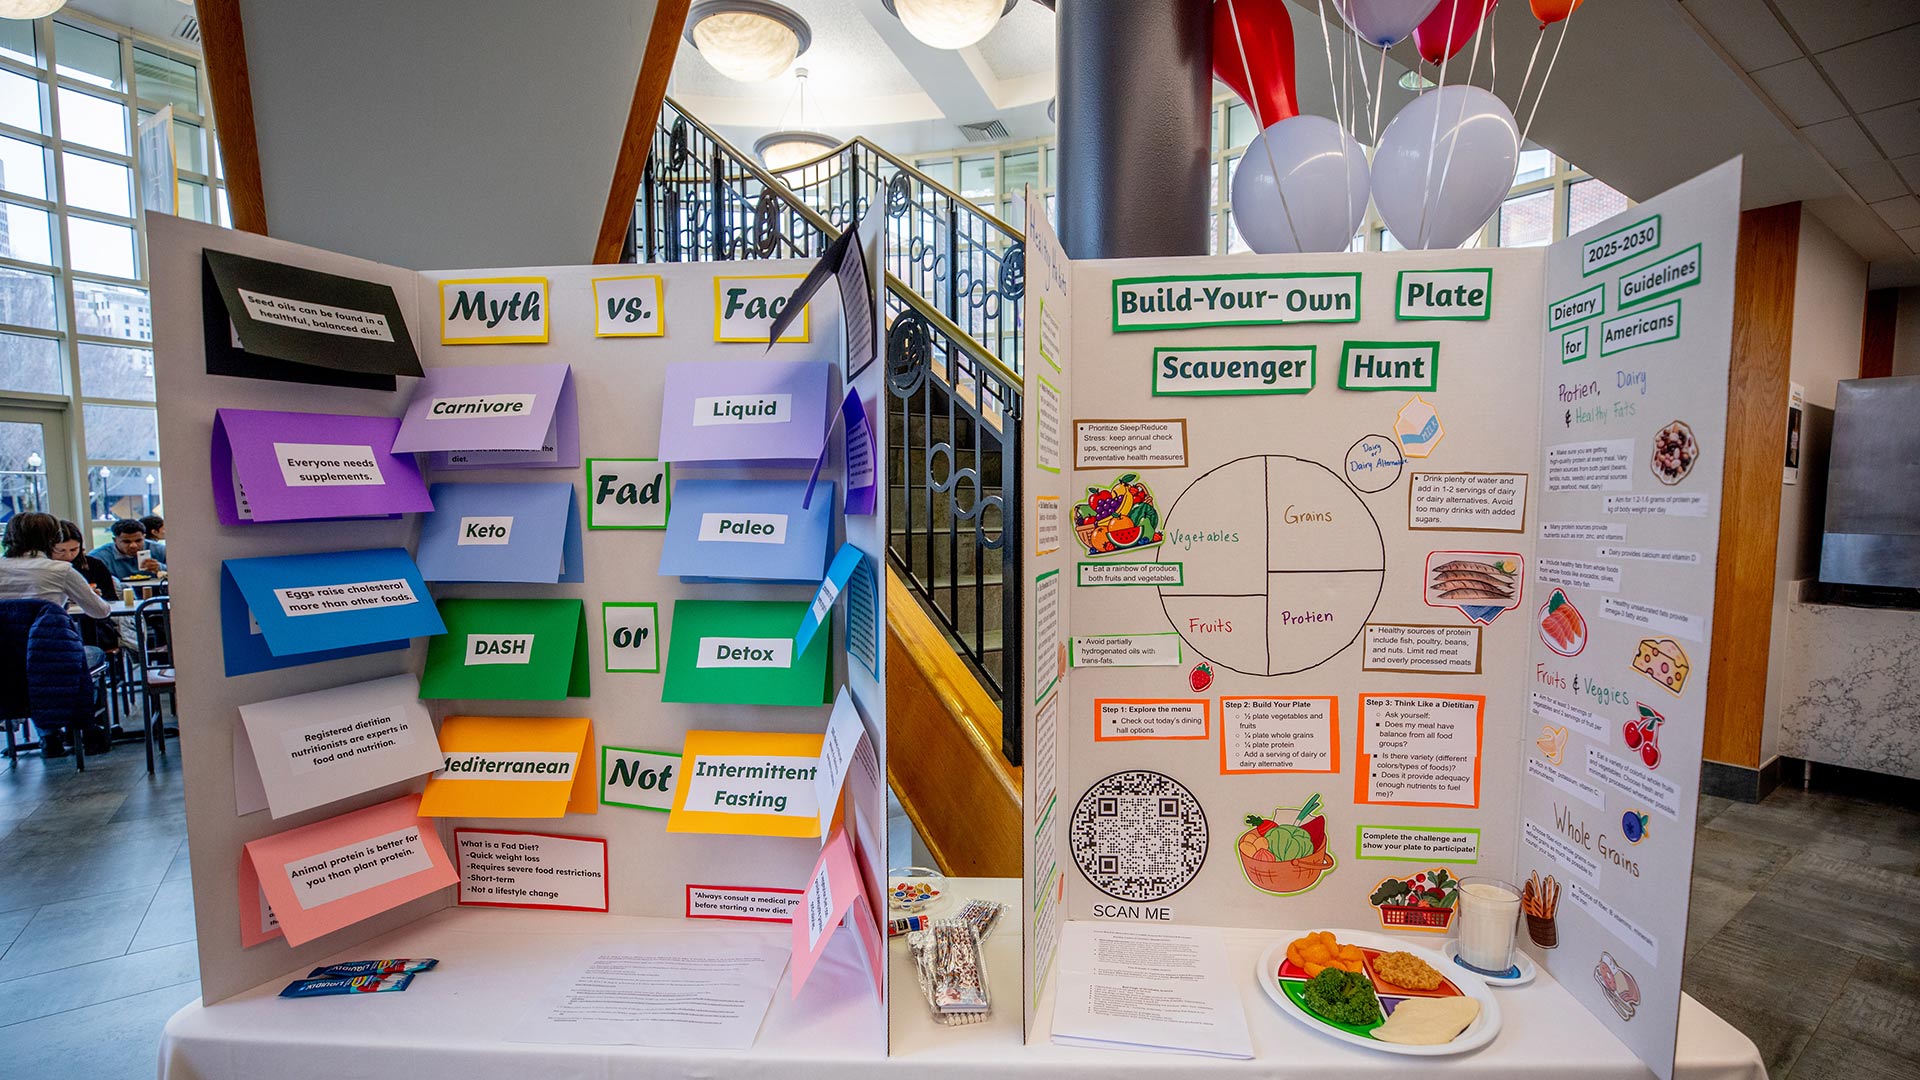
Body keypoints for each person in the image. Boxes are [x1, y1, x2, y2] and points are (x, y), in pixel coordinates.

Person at [1, 513, 113, 757]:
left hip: (6, 665)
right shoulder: (59, 570)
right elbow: (100, 612)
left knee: (36, 667)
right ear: (52, 538)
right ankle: (84, 729)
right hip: (52, 663)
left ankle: (48, 736)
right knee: (89, 655)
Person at [53, 520, 122, 656]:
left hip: (94, 624)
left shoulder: (94, 565)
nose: (68, 556)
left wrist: (94, 596)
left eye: (74, 549)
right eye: (60, 551)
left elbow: (111, 599)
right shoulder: (47, 569)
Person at [90, 518, 163, 580]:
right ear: (115, 540)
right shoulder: (99, 557)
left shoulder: (158, 549)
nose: (133, 545)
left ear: (144, 537)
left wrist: (160, 567)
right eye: (126, 542)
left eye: (138, 541)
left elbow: (174, 571)